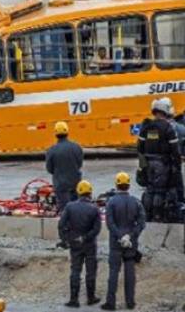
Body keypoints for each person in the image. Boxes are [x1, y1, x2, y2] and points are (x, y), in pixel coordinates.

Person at [101, 172, 146, 311]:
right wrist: (130, 236)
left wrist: (121, 236)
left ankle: (111, 303)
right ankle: (130, 302)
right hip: (131, 244)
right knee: (129, 272)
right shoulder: (136, 201)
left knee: (114, 272)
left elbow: (110, 223)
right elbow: (142, 222)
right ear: (128, 185)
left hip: (116, 243)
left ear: (117, 185)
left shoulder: (111, 202)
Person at [58, 180, 101, 308]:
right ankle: (91, 297)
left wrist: (65, 239)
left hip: (75, 243)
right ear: (90, 193)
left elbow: (61, 225)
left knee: (75, 270)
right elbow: (97, 229)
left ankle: (74, 299)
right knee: (90, 270)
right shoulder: (94, 209)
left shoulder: (70, 207)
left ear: (78, 192)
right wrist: (86, 237)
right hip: (89, 244)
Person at [137, 97, 182, 222]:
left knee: (150, 189)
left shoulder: (146, 126)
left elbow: (139, 148)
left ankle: (147, 215)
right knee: (160, 191)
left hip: (147, 163)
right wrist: (176, 168)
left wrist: (142, 167)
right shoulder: (168, 128)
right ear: (165, 110)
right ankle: (158, 216)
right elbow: (175, 151)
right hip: (162, 165)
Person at [46, 121, 83, 213]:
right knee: (77, 208)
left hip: (60, 184)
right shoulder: (76, 147)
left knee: (65, 210)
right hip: (75, 182)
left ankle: (66, 225)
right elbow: (79, 164)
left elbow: (50, 169)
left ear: (55, 134)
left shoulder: (51, 150)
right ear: (67, 132)